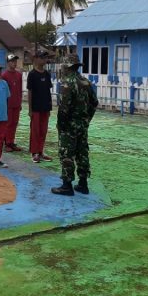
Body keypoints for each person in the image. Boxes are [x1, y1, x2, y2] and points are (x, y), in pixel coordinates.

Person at [52, 54, 99, 196]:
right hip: (82, 125)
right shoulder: (86, 82)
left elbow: (64, 108)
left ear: (68, 66)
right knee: (82, 153)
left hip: (69, 126)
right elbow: (94, 103)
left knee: (67, 153)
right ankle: (83, 184)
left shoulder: (68, 83)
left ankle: (67, 185)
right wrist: (87, 119)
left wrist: (61, 125)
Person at [27, 50, 53, 163]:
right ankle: (34, 153)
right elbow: (30, 92)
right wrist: (30, 109)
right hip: (36, 108)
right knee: (35, 131)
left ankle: (41, 151)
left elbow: (48, 91)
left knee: (43, 131)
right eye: (42, 57)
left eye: (45, 58)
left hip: (45, 108)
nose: (44, 60)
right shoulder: (32, 74)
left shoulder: (47, 74)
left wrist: (49, 107)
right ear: (36, 59)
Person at [1, 53, 23, 153]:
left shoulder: (19, 75)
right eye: (12, 61)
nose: (14, 63)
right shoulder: (4, 75)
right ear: (8, 63)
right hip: (8, 104)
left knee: (15, 123)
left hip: (16, 103)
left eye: (15, 61)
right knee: (8, 124)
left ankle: (11, 141)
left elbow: (20, 89)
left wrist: (20, 102)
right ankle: (7, 143)